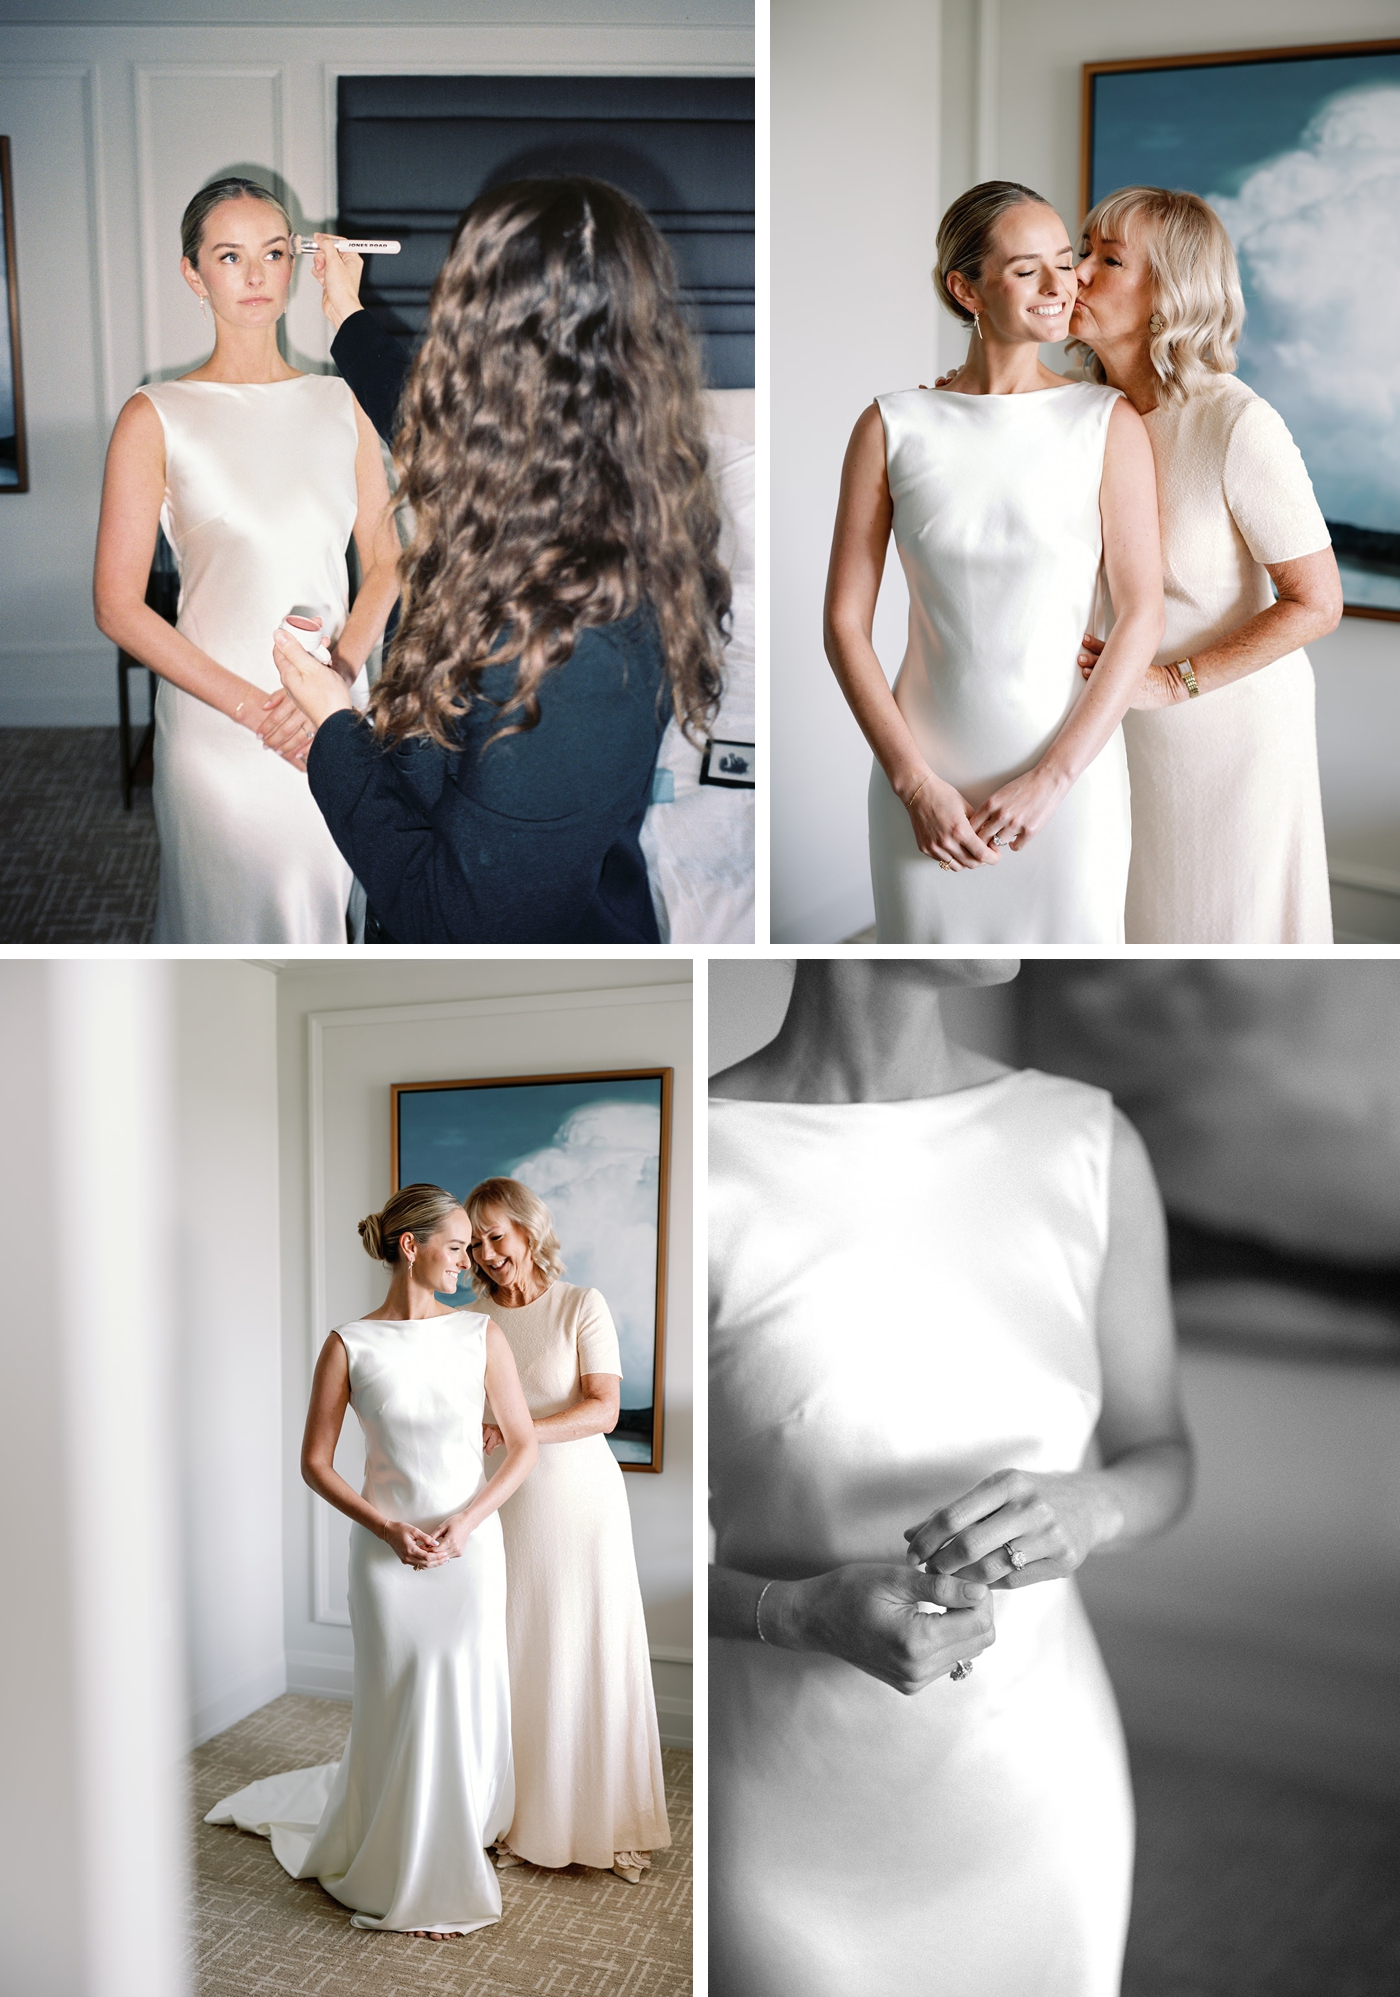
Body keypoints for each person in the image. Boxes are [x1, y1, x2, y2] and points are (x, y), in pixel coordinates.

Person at [708, 959, 1193, 1997]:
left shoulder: (1086, 1141)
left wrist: (1093, 1500)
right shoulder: (691, 1162)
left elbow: (1162, 1456)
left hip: (1037, 1784)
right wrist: (792, 1614)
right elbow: (608, 1544)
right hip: (786, 1806)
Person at [271, 176, 731, 944]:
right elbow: (419, 422)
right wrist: (346, 313)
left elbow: (451, 918)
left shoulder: (578, 646)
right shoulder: (554, 469)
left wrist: (332, 723)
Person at [824, 179, 1164, 944]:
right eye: (1024, 269)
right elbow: (845, 623)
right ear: (965, 289)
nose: (1061, 284)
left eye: (1065, 259)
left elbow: (1142, 613)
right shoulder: (892, 424)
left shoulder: (1106, 420)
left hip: (1069, 789)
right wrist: (914, 784)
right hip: (924, 791)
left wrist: (1053, 780)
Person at [205, 1185, 538, 1936]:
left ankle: (446, 1855)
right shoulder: (349, 1343)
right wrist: (388, 1527)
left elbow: (523, 1446)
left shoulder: (480, 1334)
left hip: (470, 1549)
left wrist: (467, 1522)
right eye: (456, 1245)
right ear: (410, 1246)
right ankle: (396, 1863)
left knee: (454, 1695)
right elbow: (316, 1463)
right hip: (387, 1559)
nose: (471, 1259)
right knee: (402, 1700)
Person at [92, 176, 401, 942]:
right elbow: (118, 605)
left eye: (272, 253)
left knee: (328, 909)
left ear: (298, 263)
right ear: (193, 274)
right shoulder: (154, 415)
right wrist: (256, 713)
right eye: (230, 257)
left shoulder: (345, 401)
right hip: (218, 725)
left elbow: (387, 562)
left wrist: (330, 684)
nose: (256, 276)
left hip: (334, 712)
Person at [1069, 186, 1342, 943]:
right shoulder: (1080, 418)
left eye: (1109, 259)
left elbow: (1317, 602)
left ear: (1171, 294)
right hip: (1109, 731)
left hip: (1227, 745)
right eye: (1083, 249)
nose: (1077, 271)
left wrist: (1167, 682)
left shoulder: (1237, 423)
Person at [464, 1176, 671, 1883]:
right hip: (507, 1504)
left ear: (527, 1229)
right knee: (519, 1648)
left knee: (589, 1648)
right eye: (478, 1240)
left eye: (499, 1235)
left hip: (582, 1504)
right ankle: (522, 1815)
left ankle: (607, 1819)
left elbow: (604, 1411)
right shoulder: (470, 1320)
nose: (489, 1253)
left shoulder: (582, 1304)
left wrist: (517, 1430)